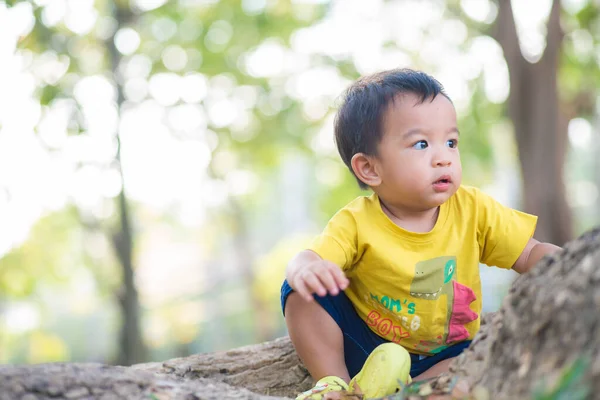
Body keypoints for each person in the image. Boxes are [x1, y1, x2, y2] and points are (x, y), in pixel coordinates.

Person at [280, 68, 562, 399]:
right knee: (301, 291)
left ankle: (410, 391)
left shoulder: (473, 209)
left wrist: (570, 264)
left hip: (446, 352)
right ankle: (335, 384)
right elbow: (310, 258)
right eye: (422, 144)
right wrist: (306, 268)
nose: (443, 157)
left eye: (451, 142)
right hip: (367, 343)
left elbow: (528, 253)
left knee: (468, 374)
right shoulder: (357, 222)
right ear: (370, 168)